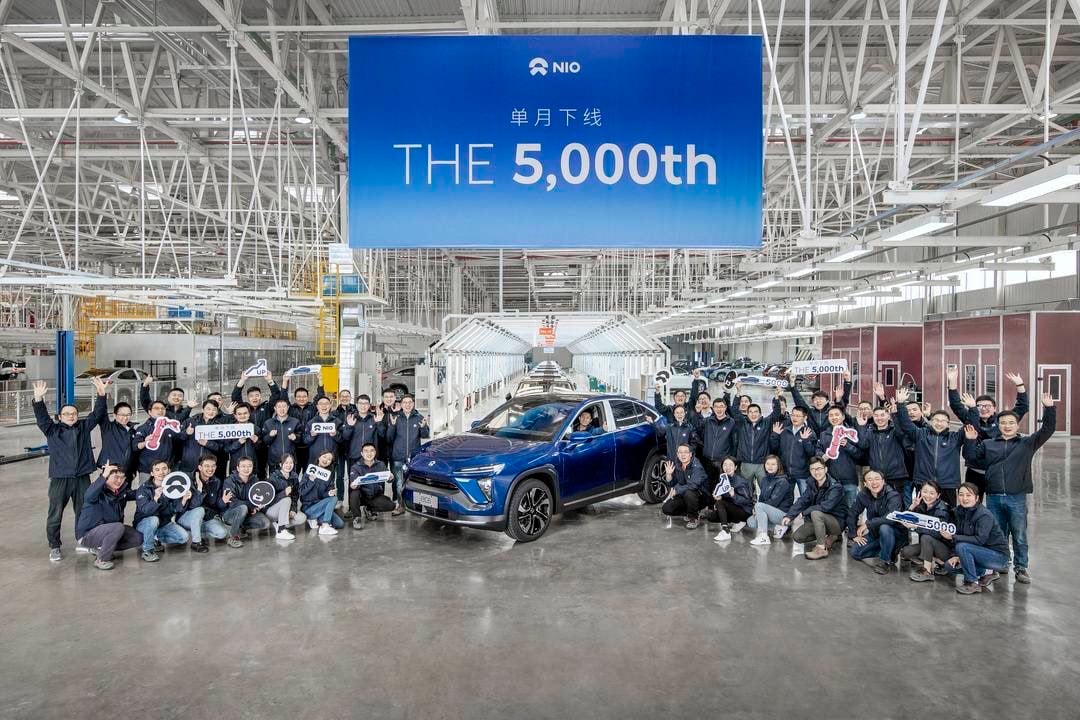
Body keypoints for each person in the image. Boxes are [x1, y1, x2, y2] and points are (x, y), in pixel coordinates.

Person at [962, 392, 1056, 585]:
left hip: (1017, 497)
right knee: (998, 534)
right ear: (999, 425)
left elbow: (1047, 429)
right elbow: (970, 459)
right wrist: (970, 440)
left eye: (1011, 423)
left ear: (1017, 425)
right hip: (994, 496)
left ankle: (1021, 568)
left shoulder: (1027, 443)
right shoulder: (988, 444)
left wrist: (1049, 409)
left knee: (1019, 535)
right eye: (1003, 423)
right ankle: (1000, 564)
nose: (1007, 426)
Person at [32, 376, 108, 562]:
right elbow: (42, 418)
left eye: (73, 413)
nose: (71, 416)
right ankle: (55, 546)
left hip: (82, 478)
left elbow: (97, 414)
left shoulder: (84, 427)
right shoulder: (52, 430)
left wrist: (101, 394)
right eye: (66, 414)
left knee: (84, 512)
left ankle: (84, 541)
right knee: (55, 513)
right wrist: (39, 400)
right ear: (60, 417)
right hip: (60, 478)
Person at [947, 366, 1029, 493]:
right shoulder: (971, 419)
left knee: (995, 505)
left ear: (994, 408)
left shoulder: (1002, 420)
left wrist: (1020, 385)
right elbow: (956, 405)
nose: (983, 409)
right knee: (972, 504)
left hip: (997, 471)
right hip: (974, 471)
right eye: (979, 406)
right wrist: (952, 382)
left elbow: (1022, 407)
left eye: (987, 406)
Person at [893, 388, 963, 506]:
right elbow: (906, 424)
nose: (939, 423)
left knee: (947, 516)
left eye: (943, 421)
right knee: (923, 515)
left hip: (947, 484)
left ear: (948, 424)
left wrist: (970, 408)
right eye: (936, 420)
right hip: (923, 482)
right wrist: (900, 404)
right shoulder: (921, 434)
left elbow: (970, 423)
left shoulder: (955, 438)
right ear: (931, 421)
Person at [944, 483, 1011, 595]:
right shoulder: (959, 511)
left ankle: (973, 583)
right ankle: (987, 571)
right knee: (949, 566)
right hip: (979, 554)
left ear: (977, 498)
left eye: (968, 495)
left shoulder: (984, 515)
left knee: (962, 546)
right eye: (961, 495)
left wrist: (953, 537)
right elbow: (961, 534)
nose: (964, 498)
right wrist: (956, 555)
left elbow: (980, 540)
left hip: (999, 557)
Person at [74, 463, 142, 570]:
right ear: (106, 477)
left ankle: (101, 549)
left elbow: (137, 494)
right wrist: (104, 475)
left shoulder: (120, 492)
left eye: (122, 477)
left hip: (109, 530)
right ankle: (101, 559)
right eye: (115, 477)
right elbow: (88, 496)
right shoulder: (96, 492)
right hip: (88, 534)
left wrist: (155, 489)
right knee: (118, 527)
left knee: (137, 538)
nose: (119, 481)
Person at [781, 456, 847, 560]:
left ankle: (821, 548)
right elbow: (803, 500)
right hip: (819, 520)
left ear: (825, 469)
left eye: (819, 468)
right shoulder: (812, 483)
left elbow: (826, 507)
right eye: (813, 469)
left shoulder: (835, 487)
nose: (816, 472)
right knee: (797, 537)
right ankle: (831, 537)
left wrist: (804, 512)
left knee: (816, 512)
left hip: (837, 522)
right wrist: (790, 515)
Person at [847, 470, 905, 574]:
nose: (874, 482)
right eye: (870, 479)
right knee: (855, 552)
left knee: (884, 527)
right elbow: (853, 513)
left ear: (883, 481)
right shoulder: (863, 495)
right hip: (875, 533)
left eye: (877, 479)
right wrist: (853, 534)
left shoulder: (893, 495)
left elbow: (890, 519)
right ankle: (890, 551)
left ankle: (884, 561)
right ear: (865, 483)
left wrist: (867, 524)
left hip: (894, 532)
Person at [133, 460, 191, 562]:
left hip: (163, 523)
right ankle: (148, 550)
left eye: (164, 469)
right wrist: (155, 499)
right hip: (144, 523)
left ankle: (154, 538)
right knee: (153, 519)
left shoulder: (172, 486)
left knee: (184, 537)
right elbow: (146, 511)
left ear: (169, 471)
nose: (161, 472)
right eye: (157, 470)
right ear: (152, 473)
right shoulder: (144, 489)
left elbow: (174, 509)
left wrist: (184, 500)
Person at [182, 454, 242, 550]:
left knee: (222, 533)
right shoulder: (189, 480)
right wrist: (199, 488)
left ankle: (195, 531)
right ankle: (196, 542)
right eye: (207, 466)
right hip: (186, 516)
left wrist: (223, 501)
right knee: (199, 510)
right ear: (200, 467)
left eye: (213, 466)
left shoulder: (216, 481)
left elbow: (216, 505)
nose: (210, 469)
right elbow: (193, 506)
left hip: (206, 517)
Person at [898, 480, 954, 582]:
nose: (928, 495)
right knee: (906, 552)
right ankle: (939, 562)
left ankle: (927, 571)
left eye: (932, 493)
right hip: (929, 545)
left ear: (938, 495)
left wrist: (916, 527)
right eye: (925, 492)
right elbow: (905, 519)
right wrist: (912, 506)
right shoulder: (922, 506)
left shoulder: (942, 509)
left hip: (945, 548)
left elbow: (937, 534)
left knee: (926, 537)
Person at [385, 394, 430, 516]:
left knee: (415, 483)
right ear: (401, 404)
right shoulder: (396, 418)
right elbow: (389, 438)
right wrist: (392, 426)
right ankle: (401, 506)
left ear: (413, 403)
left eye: (410, 402)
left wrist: (424, 427)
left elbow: (425, 435)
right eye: (405, 402)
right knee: (399, 483)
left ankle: (416, 507)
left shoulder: (419, 417)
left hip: (414, 458)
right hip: (398, 456)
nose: (407, 405)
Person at [729, 386, 782, 487]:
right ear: (747, 414)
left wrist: (776, 397)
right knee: (745, 489)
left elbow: (776, 413)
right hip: (745, 463)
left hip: (762, 464)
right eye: (751, 412)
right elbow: (734, 410)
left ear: (760, 413)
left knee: (765, 489)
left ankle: (763, 503)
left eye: (756, 412)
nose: (753, 414)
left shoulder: (766, 423)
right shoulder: (742, 423)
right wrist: (738, 393)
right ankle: (748, 503)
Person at [856, 403, 909, 499]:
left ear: (888, 416)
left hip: (895, 476)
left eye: (882, 415)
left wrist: (894, 415)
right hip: (877, 477)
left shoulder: (894, 430)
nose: (879, 418)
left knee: (896, 505)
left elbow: (901, 433)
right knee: (878, 504)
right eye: (876, 415)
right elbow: (862, 445)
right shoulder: (870, 432)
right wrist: (862, 427)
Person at [702, 456, 754, 541]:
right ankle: (736, 521)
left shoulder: (741, 481)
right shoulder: (723, 479)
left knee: (720, 503)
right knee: (711, 516)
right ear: (722, 467)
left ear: (735, 467)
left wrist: (734, 495)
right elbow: (726, 499)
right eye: (725, 465)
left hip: (745, 511)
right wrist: (720, 497)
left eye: (730, 465)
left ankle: (726, 531)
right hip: (733, 509)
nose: (727, 467)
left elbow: (747, 501)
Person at [746, 455, 794, 545]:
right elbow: (761, 498)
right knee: (750, 522)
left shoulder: (782, 481)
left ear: (778, 466)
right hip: (771, 512)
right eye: (768, 464)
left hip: (783, 514)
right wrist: (756, 510)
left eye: (773, 464)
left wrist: (758, 507)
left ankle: (764, 537)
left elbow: (773, 502)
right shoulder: (765, 479)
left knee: (759, 506)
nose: (770, 466)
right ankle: (778, 527)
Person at [660, 444, 710, 529]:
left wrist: (676, 490)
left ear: (690, 454)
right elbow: (672, 483)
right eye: (680, 452)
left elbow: (693, 485)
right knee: (667, 509)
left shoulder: (697, 467)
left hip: (701, 497)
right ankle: (690, 511)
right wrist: (668, 475)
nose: (683, 455)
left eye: (686, 452)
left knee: (689, 493)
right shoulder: (677, 465)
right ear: (677, 454)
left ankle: (693, 518)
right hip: (685, 495)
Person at [769, 407, 816, 495]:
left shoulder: (810, 433)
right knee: (786, 500)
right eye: (793, 415)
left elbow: (812, 454)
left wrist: (806, 441)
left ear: (805, 418)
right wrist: (775, 435)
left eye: (798, 416)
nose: (794, 418)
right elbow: (774, 449)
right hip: (786, 474)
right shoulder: (784, 431)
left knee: (805, 498)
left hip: (803, 474)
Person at [132, 401, 181, 486]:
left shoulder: (169, 427)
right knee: (146, 494)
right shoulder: (143, 428)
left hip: (166, 470)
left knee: (165, 496)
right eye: (157, 408)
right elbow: (135, 446)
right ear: (150, 412)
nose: (160, 410)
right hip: (147, 470)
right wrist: (145, 442)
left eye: (162, 408)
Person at [348, 443, 397, 528]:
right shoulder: (356, 467)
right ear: (362, 453)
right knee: (354, 493)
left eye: (371, 451)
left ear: (375, 452)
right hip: (361, 496)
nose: (369, 453)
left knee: (391, 505)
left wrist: (391, 477)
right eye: (366, 451)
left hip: (374, 495)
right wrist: (354, 485)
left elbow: (389, 479)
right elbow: (353, 483)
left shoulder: (380, 465)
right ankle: (357, 518)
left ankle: (368, 509)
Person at [790, 370, 851, 435]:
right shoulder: (810, 412)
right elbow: (799, 401)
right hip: (813, 441)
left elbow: (842, 404)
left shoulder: (832, 411)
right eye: (816, 399)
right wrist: (792, 385)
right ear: (813, 402)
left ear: (827, 401)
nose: (818, 401)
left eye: (821, 399)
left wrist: (847, 381)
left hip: (829, 439)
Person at [282, 377, 322, 470]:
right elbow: (283, 397)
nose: (301, 399)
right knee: (294, 471)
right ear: (295, 398)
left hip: (310, 445)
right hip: (294, 446)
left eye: (304, 396)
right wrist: (285, 381)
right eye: (299, 397)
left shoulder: (312, 407)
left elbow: (320, 396)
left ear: (308, 397)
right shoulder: (290, 408)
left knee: (308, 472)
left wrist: (320, 380)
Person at [695, 398, 738, 486]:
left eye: (721, 406)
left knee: (721, 485)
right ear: (713, 408)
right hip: (707, 460)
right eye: (716, 407)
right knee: (707, 485)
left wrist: (731, 458)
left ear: (725, 407)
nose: (719, 409)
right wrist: (698, 413)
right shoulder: (707, 421)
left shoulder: (731, 422)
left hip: (721, 461)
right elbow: (697, 431)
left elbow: (734, 442)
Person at [300, 451, 345, 535]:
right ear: (319, 457)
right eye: (324, 457)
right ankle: (325, 525)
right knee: (334, 498)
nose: (326, 460)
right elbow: (301, 492)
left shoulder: (328, 476)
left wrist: (329, 494)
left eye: (329, 459)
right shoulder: (309, 471)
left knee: (340, 524)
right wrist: (310, 481)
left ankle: (317, 520)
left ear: (330, 463)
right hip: (308, 508)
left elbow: (323, 496)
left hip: (320, 506)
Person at [265, 455, 308, 539]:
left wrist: (293, 509)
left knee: (302, 518)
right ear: (281, 464)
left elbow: (295, 497)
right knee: (287, 499)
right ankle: (281, 531)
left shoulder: (294, 477)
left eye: (291, 463)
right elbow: (269, 500)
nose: (289, 465)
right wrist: (284, 493)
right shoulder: (273, 477)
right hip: (272, 511)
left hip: (286, 509)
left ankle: (279, 523)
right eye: (286, 463)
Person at [177, 400, 222, 473]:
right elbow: (178, 439)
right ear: (202, 409)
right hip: (189, 462)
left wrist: (208, 444)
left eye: (214, 410)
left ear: (217, 411)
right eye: (208, 409)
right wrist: (186, 433)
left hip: (208, 466)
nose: (211, 412)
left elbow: (221, 447)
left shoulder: (219, 426)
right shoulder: (190, 421)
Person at [97, 401, 137, 480]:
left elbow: (134, 453)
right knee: (108, 492)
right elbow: (101, 411)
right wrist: (102, 396)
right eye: (122, 415)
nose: (125, 417)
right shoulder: (108, 427)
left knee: (126, 492)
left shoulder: (133, 431)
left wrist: (133, 471)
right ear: (114, 415)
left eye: (128, 415)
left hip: (127, 472)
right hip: (111, 471)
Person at [262, 398, 301, 470]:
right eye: (279, 407)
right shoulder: (268, 423)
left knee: (290, 480)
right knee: (274, 480)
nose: (281, 409)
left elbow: (300, 439)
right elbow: (264, 441)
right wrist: (270, 436)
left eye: (284, 406)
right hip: (274, 461)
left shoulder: (295, 422)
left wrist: (296, 437)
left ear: (288, 407)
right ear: (275, 408)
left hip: (290, 460)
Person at [223, 403, 261, 477]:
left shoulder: (255, 428)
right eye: (239, 414)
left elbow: (261, 448)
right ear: (235, 416)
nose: (242, 416)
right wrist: (238, 443)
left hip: (251, 465)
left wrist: (256, 441)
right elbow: (226, 449)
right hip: (236, 466)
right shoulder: (230, 429)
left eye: (245, 413)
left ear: (249, 414)